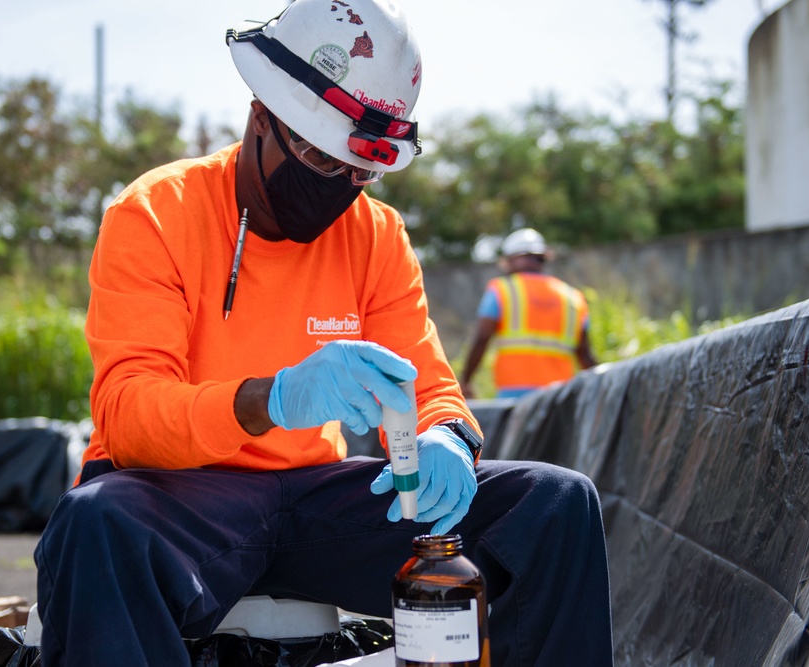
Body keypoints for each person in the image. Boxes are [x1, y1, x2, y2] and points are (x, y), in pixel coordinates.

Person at [33, 2, 613, 665]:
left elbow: (432, 386)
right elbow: (129, 414)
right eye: (318, 156)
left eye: (358, 172)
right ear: (260, 118)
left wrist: (446, 435)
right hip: (180, 497)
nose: (338, 187)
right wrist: (271, 398)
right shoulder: (156, 215)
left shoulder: (376, 236)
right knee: (96, 522)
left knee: (556, 506)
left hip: (312, 497)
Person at [460, 228, 598, 399]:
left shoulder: (501, 290)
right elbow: (584, 353)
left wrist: (465, 381)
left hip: (514, 395)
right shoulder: (573, 297)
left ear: (514, 258)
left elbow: (482, 339)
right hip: (560, 397)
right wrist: (600, 389)